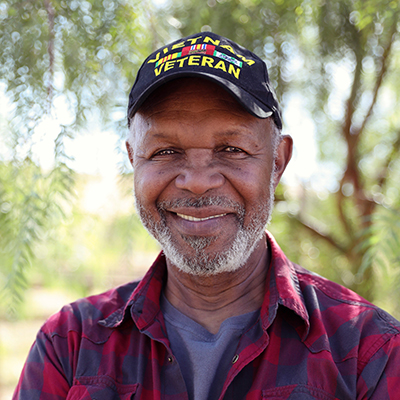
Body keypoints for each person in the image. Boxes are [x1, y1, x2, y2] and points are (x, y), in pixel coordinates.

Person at [13, 32, 400, 400]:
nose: (197, 182)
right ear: (134, 161)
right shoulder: (69, 345)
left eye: (231, 149)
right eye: (165, 152)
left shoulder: (369, 351)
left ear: (277, 162)